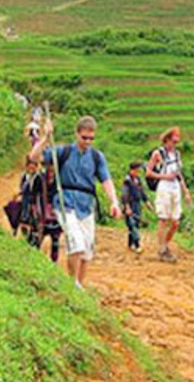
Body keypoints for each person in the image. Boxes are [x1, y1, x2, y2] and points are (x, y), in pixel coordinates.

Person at [30, 115, 121, 289]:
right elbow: (34, 157)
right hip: (65, 203)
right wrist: (46, 138)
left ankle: (79, 284)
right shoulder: (63, 152)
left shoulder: (96, 157)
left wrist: (114, 202)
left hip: (86, 206)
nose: (87, 141)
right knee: (76, 243)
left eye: (91, 138)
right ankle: (72, 284)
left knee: (87, 250)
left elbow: (106, 180)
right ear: (77, 134)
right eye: (84, 138)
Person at [146, 127, 192, 263]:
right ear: (167, 140)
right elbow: (148, 172)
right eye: (173, 141)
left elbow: (179, 175)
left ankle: (164, 244)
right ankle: (162, 248)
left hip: (175, 188)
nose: (175, 144)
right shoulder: (158, 153)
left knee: (175, 221)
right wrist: (164, 176)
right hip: (164, 187)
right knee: (163, 218)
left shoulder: (177, 155)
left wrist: (186, 191)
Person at [121, 161, 153, 253]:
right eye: (136, 170)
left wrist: (147, 202)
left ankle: (130, 245)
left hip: (137, 205)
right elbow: (125, 194)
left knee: (135, 225)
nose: (138, 172)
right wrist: (127, 207)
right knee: (132, 225)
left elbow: (142, 192)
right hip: (130, 204)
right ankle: (137, 245)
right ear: (132, 170)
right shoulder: (127, 181)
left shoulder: (137, 180)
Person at [34, 163, 62, 263]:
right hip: (42, 211)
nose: (51, 172)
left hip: (55, 213)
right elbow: (34, 195)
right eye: (49, 169)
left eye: (53, 170)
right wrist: (35, 209)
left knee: (55, 239)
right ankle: (33, 259)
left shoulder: (59, 180)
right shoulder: (40, 178)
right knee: (37, 238)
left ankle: (54, 262)